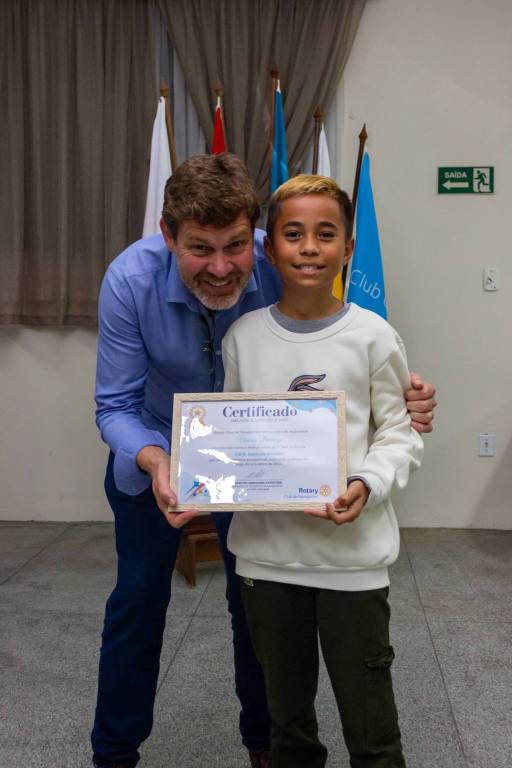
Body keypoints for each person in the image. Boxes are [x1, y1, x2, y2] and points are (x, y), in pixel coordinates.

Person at [92, 153, 436, 768]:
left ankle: (265, 746)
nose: (221, 267)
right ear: (168, 235)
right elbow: (114, 404)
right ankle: (115, 755)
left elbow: (338, 343)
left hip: (264, 470)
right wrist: (157, 460)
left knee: (252, 609)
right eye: (199, 249)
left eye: (235, 246)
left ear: (255, 238)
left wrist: (403, 395)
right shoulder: (128, 281)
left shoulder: (283, 257)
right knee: (137, 606)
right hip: (156, 458)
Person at [222, 174, 424, 768]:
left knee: (372, 729)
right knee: (287, 725)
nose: (309, 247)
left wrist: (367, 483)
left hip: (351, 562)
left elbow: (399, 431)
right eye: (293, 234)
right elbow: (231, 434)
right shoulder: (244, 337)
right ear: (269, 248)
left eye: (325, 234)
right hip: (266, 560)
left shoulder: (373, 337)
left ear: (348, 248)